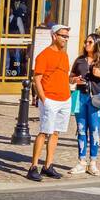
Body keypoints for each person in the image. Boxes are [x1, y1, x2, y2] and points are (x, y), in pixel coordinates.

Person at [27, 24, 72, 181]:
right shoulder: (43, 55)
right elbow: (37, 79)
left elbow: (64, 77)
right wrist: (43, 99)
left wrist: (73, 81)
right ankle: (33, 167)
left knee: (55, 132)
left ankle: (48, 165)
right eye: (63, 36)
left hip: (64, 99)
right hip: (50, 99)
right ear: (54, 36)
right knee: (44, 131)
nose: (66, 39)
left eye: (67, 36)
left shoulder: (65, 56)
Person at [70, 33, 100, 175]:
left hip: (97, 96)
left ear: (97, 43)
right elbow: (70, 77)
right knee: (81, 128)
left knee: (95, 130)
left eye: (89, 42)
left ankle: (93, 162)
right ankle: (81, 161)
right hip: (80, 96)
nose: (86, 44)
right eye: (86, 42)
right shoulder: (80, 60)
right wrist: (74, 79)